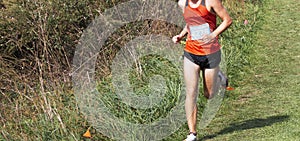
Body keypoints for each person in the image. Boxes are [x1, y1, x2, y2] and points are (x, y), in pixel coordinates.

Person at [172, 0, 232, 140]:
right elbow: (191, 24)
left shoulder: (211, 2)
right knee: (191, 93)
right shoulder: (182, 3)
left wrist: (213, 35)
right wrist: (181, 35)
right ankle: (192, 133)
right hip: (191, 53)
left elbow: (227, 20)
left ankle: (218, 77)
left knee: (209, 94)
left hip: (210, 54)